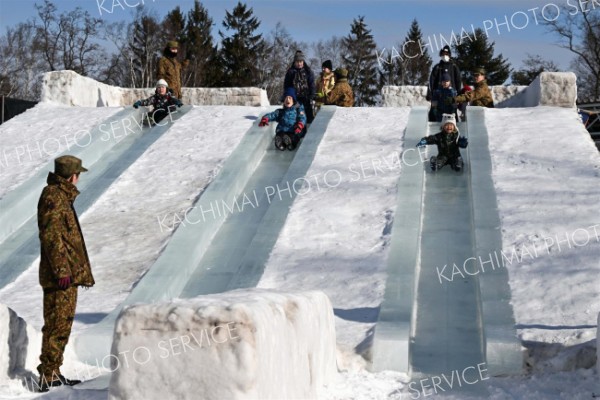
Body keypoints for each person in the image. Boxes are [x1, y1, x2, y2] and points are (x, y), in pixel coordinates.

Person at [37, 155, 95, 392]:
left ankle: (54, 372)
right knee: (56, 324)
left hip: (67, 274)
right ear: (71, 175)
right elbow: (51, 236)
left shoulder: (60, 196)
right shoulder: (53, 197)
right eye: (77, 174)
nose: (78, 178)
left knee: (62, 324)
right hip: (60, 276)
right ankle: (48, 375)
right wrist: (62, 270)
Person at [258, 87, 306, 151]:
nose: (288, 100)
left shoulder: (297, 111)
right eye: (286, 98)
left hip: (293, 130)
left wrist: (300, 125)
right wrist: (265, 118)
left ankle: (291, 144)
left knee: (294, 137)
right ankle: (280, 144)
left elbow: (302, 117)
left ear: (293, 100)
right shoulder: (280, 111)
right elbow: (272, 115)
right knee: (280, 135)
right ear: (283, 100)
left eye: (290, 98)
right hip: (282, 130)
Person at [427, 45, 462, 121]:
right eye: (443, 54)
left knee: (452, 114)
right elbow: (431, 81)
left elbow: (458, 81)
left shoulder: (454, 67)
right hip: (438, 95)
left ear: (449, 55)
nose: (444, 55)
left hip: (451, 95)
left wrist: (459, 95)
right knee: (434, 115)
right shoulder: (437, 67)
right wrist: (430, 94)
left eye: (446, 54)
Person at [283, 50, 316, 124]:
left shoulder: (308, 71)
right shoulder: (291, 72)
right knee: (296, 115)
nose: (299, 63)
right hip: (295, 98)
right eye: (297, 62)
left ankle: (309, 128)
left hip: (306, 97)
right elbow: (287, 85)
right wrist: (287, 95)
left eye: (301, 61)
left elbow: (312, 83)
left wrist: (312, 94)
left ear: (303, 62)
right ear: (294, 62)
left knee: (308, 115)